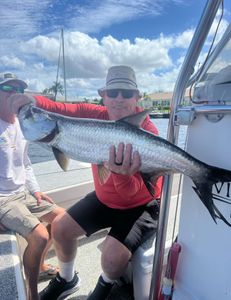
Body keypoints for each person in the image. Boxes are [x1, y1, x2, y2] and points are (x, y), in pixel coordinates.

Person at [8, 65, 163, 300]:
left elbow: (140, 192)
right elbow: (62, 109)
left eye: (126, 93)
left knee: (111, 258)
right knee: (59, 228)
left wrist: (121, 174)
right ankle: (67, 279)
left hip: (140, 206)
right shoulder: (95, 115)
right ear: (103, 96)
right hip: (105, 200)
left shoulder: (148, 133)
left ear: (137, 97)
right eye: (112, 93)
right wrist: (31, 99)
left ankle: (104, 286)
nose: (119, 99)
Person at [0, 72, 65, 300]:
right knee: (39, 236)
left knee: (63, 221)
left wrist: (36, 190)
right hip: (2, 199)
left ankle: (38, 264)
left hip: (23, 193)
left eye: (18, 90)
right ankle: (32, 293)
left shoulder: (22, 124)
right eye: (7, 89)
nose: (14, 94)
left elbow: (26, 163)